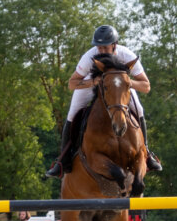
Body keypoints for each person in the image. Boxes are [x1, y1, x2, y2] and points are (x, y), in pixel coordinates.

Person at [45, 25, 161, 178]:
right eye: (99, 47)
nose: (101, 51)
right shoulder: (89, 57)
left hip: (120, 85)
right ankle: (62, 161)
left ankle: (147, 154)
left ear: (114, 44)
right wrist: (94, 82)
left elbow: (146, 86)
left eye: (105, 48)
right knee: (72, 114)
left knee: (138, 109)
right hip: (91, 82)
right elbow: (72, 84)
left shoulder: (126, 55)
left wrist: (124, 82)